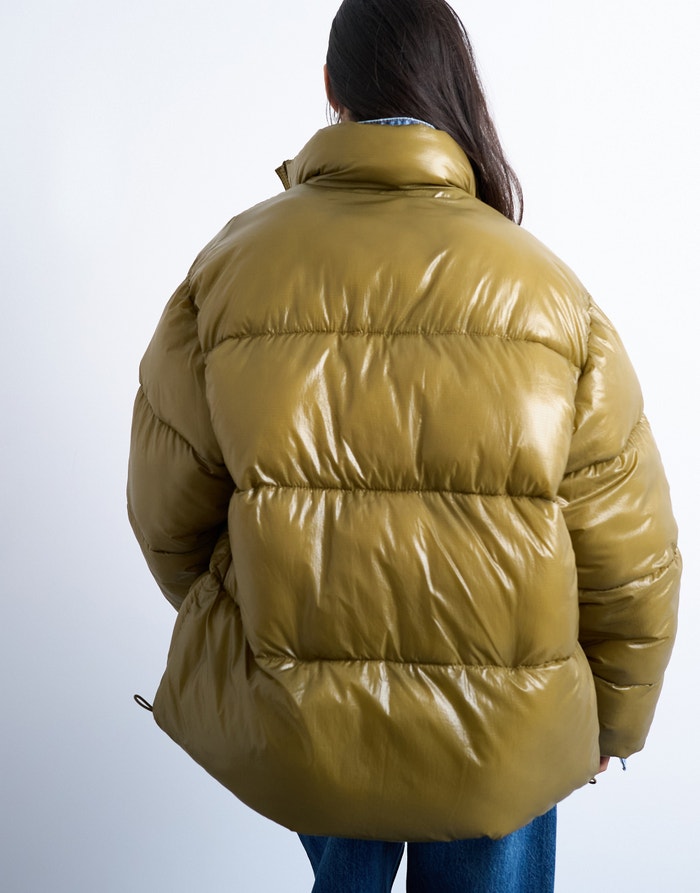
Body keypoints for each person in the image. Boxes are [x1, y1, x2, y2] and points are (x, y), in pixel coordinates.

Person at [127, 0, 681, 890]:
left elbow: (167, 514)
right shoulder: (549, 292)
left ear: (330, 88)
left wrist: (260, 633)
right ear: (453, 89)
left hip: (307, 718)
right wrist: (616, 718)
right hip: (507, 733)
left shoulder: (228, 271)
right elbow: (630, 553)